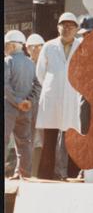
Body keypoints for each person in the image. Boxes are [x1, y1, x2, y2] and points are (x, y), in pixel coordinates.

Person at [36, 12, 82, 180]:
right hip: (53, 96)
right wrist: (53, 85)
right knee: (50, 137)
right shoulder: (48, 46)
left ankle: (73, 173)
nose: (67, 28)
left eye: (71, 26)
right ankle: (46, 174)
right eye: (64, 25)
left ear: (76, 29)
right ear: (58, 27)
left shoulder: (82, 46)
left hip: (73, 95)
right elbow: (40, 72)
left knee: (73, 136)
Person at [4, 30, 40, 179]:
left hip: (8, 109)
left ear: (12, 46)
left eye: (6, 45)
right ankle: (24, 175)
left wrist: (18, 102)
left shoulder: (7, 61)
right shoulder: (31, 63)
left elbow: (5, 85)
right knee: (25, 143)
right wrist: (29, 102)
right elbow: (38, 85)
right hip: (26, 110)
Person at [25, 33, 45, 177]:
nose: (35, 49)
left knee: (40, 139)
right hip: (28, 106)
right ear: (27, 49)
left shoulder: (48, 62)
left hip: (44, 107)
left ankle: (36, 172)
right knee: (28, 139)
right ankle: (29, 172)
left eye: (38, 47)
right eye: (32, 47)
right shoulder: (25, 64)